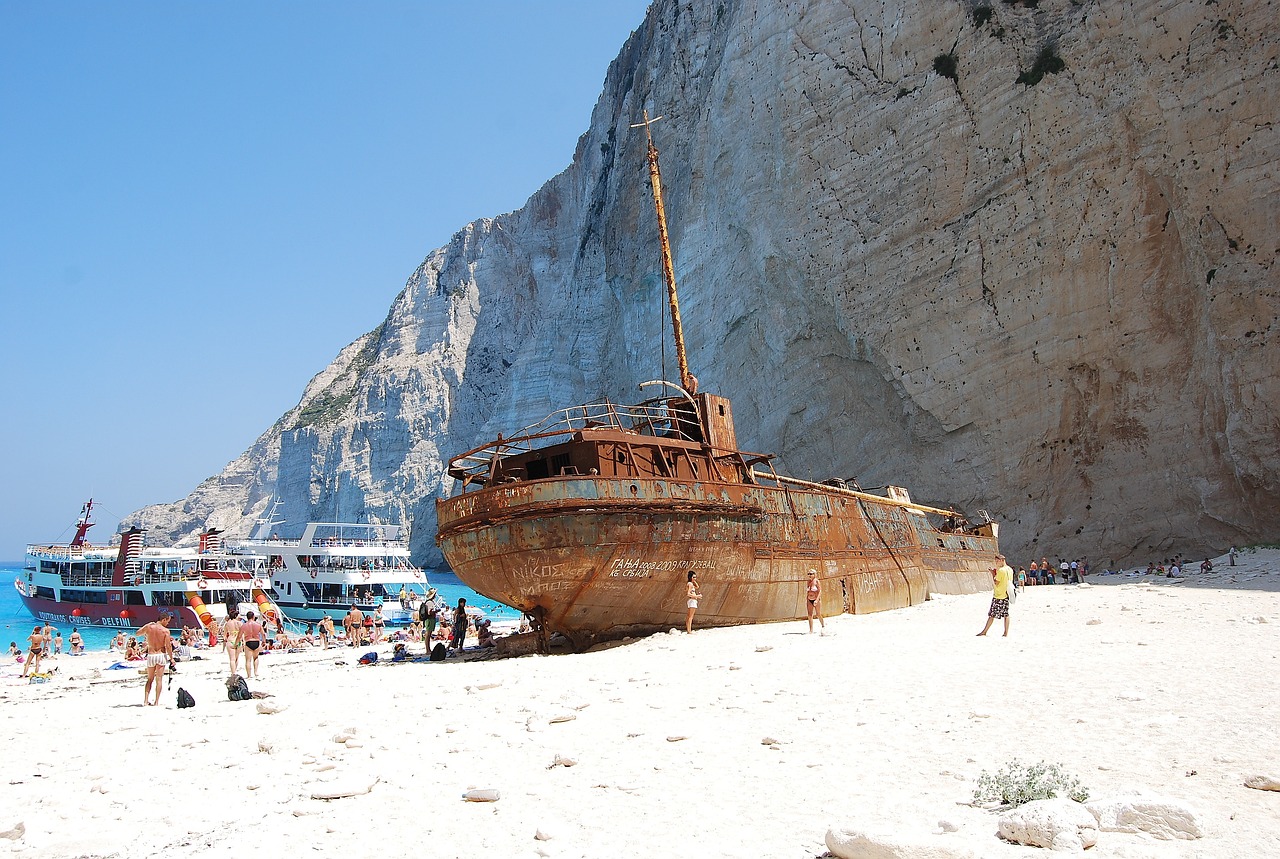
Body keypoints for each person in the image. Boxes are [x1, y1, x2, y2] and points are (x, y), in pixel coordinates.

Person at [139, 615, 174, 706]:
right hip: (161, 655)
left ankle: (146, 701)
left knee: (150, 679)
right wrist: (172, 658)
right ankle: (156, 702)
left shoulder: (149, 627)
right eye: (167, 621)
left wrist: (146, 625)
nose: (167, 623)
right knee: (159, 679)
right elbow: (168, 646)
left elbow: (137, 633)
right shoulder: (165, 631)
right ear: (163, 619)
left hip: (151, 655)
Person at [976, 554, 1014, 638]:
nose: (996, 563)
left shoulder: (1001, 570)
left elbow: (996, 582)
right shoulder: (1010, 569)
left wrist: (993, 573)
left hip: (999, 595)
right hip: (1006, 594)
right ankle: (1005, 633)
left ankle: (984, 631)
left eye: (997, 561)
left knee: (992, 614)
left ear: (1001, 560)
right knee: (1006, 614)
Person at [240, 611, 264, 679]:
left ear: (247, 617)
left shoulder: (244, 625)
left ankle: (249, 675)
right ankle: (256, 672)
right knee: (256, 658)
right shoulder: (258, 625)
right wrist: (264, 641)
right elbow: (263, 634)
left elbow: (239, 635)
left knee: (248, 660)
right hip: (256, 641)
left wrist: (237, 642)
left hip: (248, 641)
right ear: (253, 617)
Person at [805, 569, 825, 634]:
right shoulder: (808, 582)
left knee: (818, 614)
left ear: (814, 574)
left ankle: (823, 625)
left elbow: (820, 591)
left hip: (816, 599)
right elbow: (808, 591)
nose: (809, 575)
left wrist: (816, 600)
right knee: (810, 615)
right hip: (809, 599)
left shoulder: (817, 581)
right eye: (808, 574)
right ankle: (811, 630)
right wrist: (807, 599)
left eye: (811, 574)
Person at [224, 611, 243, 676]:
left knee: (232, 659)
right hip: (238, 641)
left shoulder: (227, 624)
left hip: (231, 640)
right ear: (235, 616)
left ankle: (233, 673)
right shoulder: (239, 623)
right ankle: (235, 670)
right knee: (237, 658)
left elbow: (224, 635)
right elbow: (242, 633)